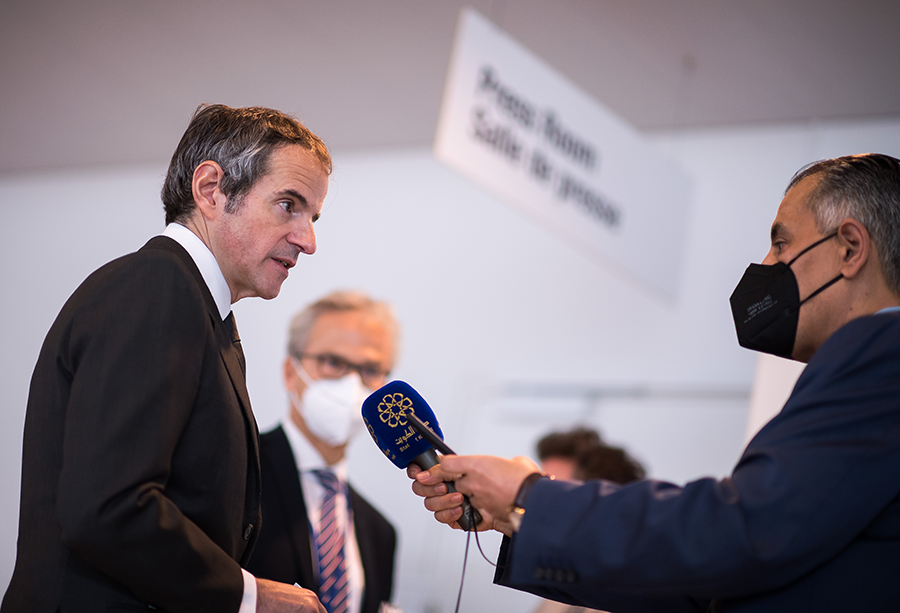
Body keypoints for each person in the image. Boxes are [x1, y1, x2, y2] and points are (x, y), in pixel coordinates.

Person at [410, 153, 900, 611]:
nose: (767, 267)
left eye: (781, 244)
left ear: (850, 248)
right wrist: (517, 518)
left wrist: (532, 499)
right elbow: (725, 579)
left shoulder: (882, 351)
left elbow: (739, 532)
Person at [3, 104, 334, 613]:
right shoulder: (158, 286)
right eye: (288, 205)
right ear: (211, 190)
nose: (308, 240)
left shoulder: (202, 312)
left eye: (312, 216)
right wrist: (251, 596)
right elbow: (109, 506)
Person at [247, 291, 398, 613]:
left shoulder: (380, 532)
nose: (352, 385)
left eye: (370, 370)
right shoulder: (237, 469)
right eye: (334, 362)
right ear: (291, 372)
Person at [532, 428, 645, 613]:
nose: (539, 503)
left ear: (600, 505)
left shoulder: (638, 595)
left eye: (554, 492)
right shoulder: (562, 581)